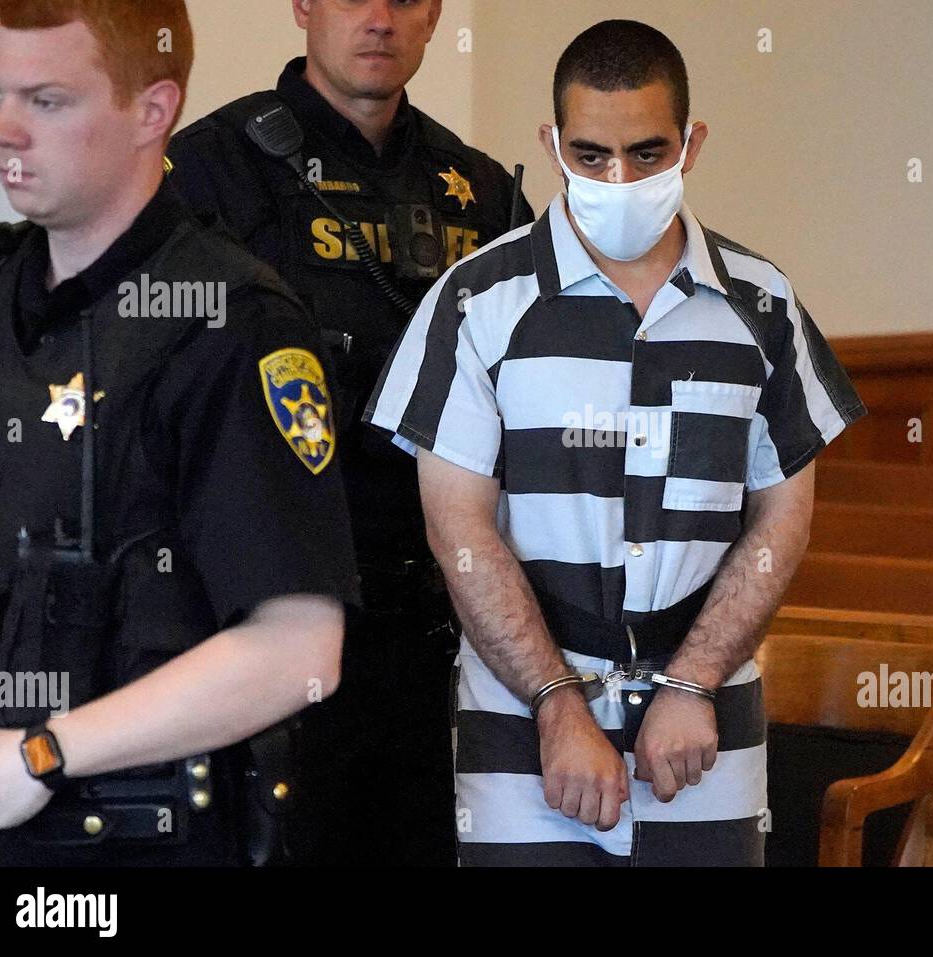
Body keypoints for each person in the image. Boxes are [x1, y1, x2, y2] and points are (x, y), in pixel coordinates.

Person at [365, 19, 867, 866]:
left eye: (646, 151)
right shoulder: (476, 303)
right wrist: (558, 703)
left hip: (706, 736)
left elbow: (782, 521)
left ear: (690, 144)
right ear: (553, 145)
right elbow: (460, 532)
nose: (619, 177)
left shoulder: (762, 305)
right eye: (591, 154)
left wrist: (692, 681)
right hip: (521, 740)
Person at [0, 0, 358, 865]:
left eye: (48, 100)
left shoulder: (230, 325)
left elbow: (300, 650)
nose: (5, 131)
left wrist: (44, 752)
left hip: (135, 841)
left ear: (154, 111)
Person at [165, 0, 529, 866]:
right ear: (301, 5)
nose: (378, 18)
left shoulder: (483, 191)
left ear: (435, 14)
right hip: (270, 619)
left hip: (435, 629)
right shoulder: (211, 169)